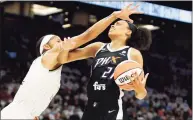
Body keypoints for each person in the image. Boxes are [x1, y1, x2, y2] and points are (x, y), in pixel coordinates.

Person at [0, 3, 139, 119]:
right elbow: (86, 36)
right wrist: (114, 16)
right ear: (47, 46)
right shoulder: (48, 55)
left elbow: (82, 52)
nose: (62, 42)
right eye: (58, 40)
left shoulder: (52, 63)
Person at [58, 4, 152, 120]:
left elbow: (141, 95)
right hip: (91, 108)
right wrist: (65, 48)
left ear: (128, 32)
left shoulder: (133, 53)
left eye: (118, 24)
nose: (112, 25)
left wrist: (140, 90)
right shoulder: (98, 47)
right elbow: (63, 59)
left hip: (113, 109)